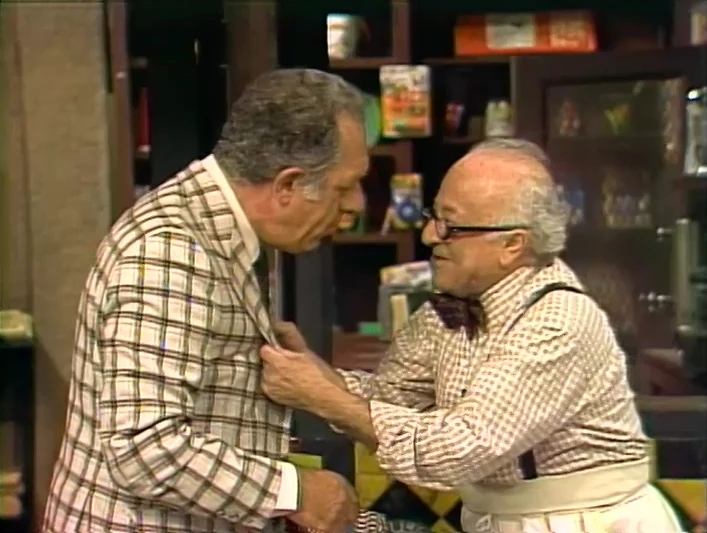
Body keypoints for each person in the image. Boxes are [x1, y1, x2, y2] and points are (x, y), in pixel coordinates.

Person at [259, 138, 684, 533]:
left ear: (513, 245)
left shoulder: (558, 322)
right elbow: (389, 402)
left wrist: (321, 395)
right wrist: (316, 376)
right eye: (433, 217)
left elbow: (459, 449)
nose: (429, 236)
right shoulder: (449, 309)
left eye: (452, 226)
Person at [42, 69, 372, 533]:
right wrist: (294, 491)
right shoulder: (173, 248)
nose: (357, 205)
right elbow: (144, 448)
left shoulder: (217, 230)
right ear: (287, 185)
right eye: (344, 187)